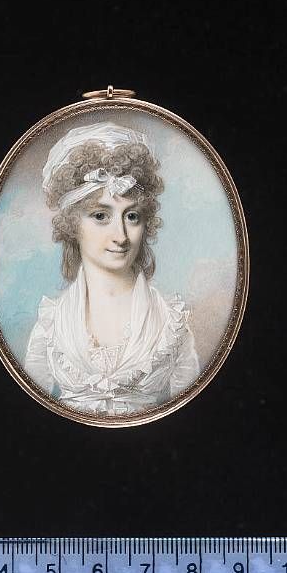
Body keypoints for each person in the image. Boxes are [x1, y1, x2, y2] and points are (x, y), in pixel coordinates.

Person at [24, 121, 199, 415]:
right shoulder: (51, 325)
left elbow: (190, 411)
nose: (121, 236)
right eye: (101, 216)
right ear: (72, 225)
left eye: (131, 216)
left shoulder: (171, 322)